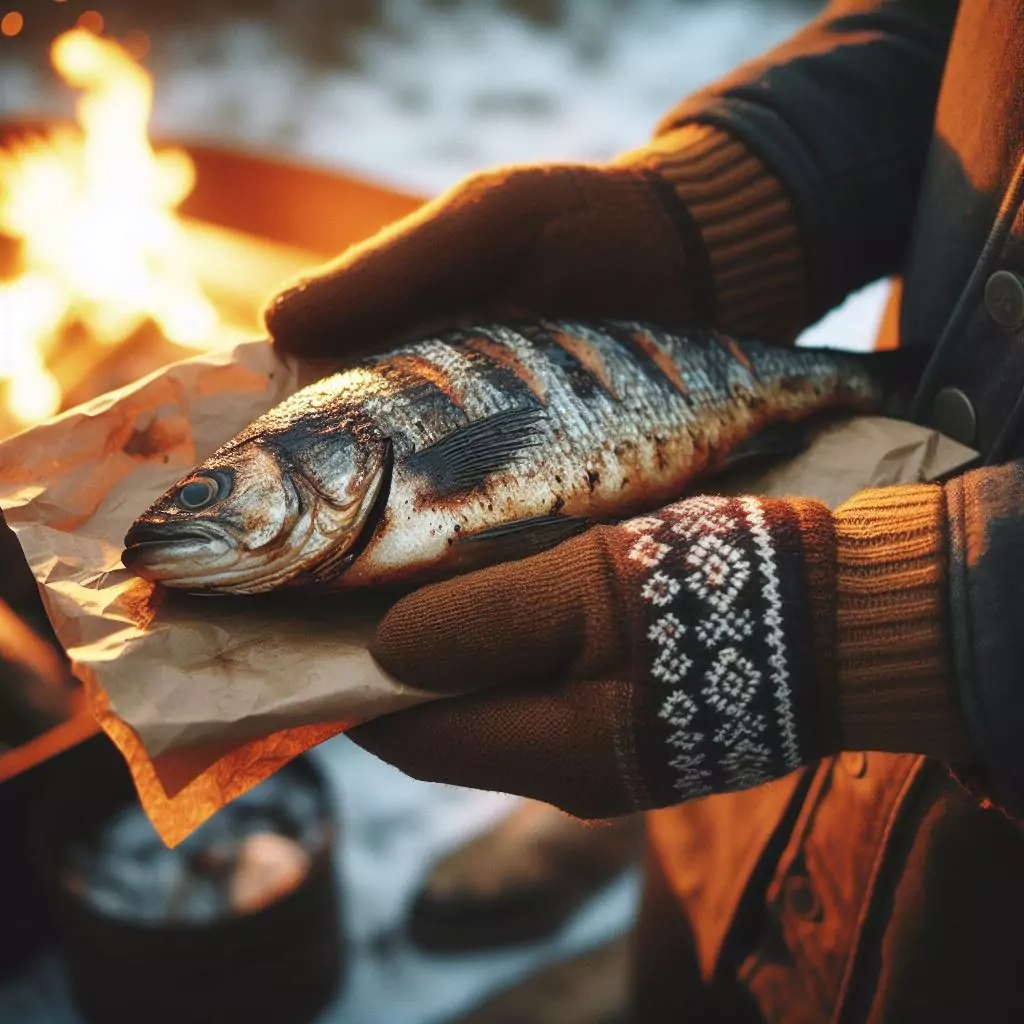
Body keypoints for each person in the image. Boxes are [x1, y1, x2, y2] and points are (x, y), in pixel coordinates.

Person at [265, 0, 1024, 1019]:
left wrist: (941, 631)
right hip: (743, 727)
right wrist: (726, 203)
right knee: (678, 956)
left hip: (977, 908)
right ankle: (621, 855)